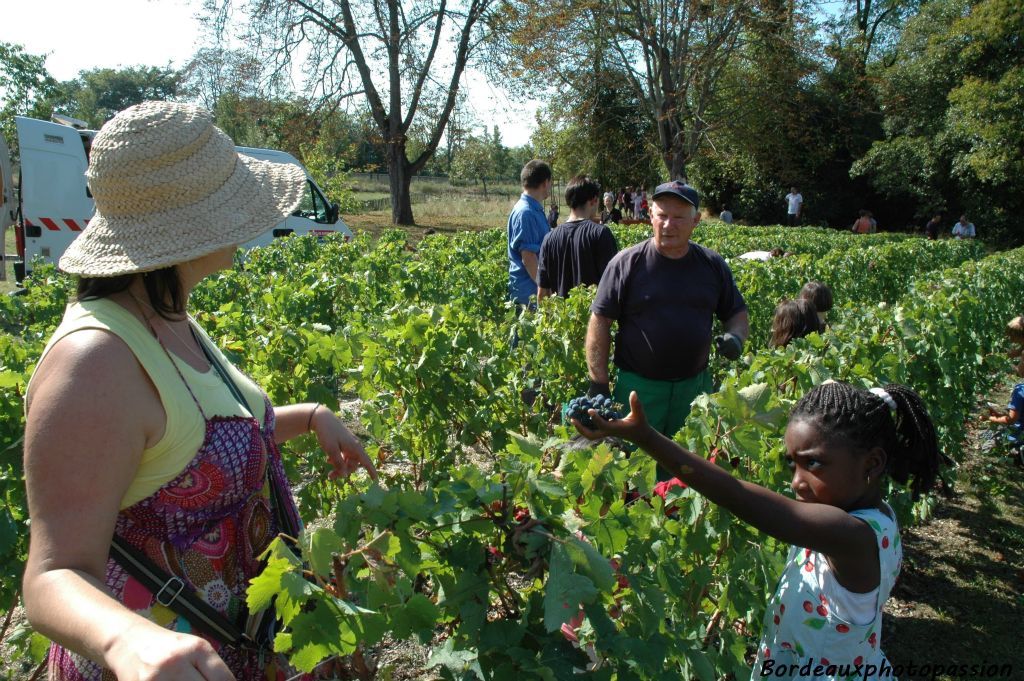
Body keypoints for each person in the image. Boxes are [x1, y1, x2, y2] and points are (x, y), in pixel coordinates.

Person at [21, 101, 378, 681]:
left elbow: (193, 443)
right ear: (185, 227)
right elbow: (52, 573)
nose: (252, 221)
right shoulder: (93, 362)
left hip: (238, 646)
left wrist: (311, 416)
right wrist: (126, 641)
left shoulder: (168, 318)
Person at [574, 381, 942, 678]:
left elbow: (736, 494)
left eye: (813, 464)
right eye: (791, 465)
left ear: (872, 463)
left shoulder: (851, 536)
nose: (797, 482)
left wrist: (646, 437)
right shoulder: (867, 516)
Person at [587, 181, 749, 477]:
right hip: (639, 391)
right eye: (661, 215)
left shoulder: (712, 265)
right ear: (650, 216)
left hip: (695, 390)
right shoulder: (626, 264)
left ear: (696, 222)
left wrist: (735, 337)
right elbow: (600, 322)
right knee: (634, 472)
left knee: (688, 471)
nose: (667, 224)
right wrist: (598, 382)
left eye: (678, 218)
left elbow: (736, 312)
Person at [537, 175, 619, 302]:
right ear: (593, 200)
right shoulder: (601, 234)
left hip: (560, 319)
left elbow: (542, 293)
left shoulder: (549, 239)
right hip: (594, 318)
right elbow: (613, 285)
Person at [507, 160, 553, 307]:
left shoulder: (534, 210)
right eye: (550, 183)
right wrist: (545, 290)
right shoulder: (525, 212)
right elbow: (529, 258)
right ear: (545, 182)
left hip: (532, 292)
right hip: (529, 297)